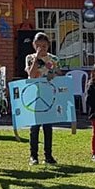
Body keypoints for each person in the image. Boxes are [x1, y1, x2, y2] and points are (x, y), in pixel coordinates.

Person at [26, 32, 59, 165]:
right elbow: (32, 74)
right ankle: (33, 155)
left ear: (48, 45)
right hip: (34, 95)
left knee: (48, 126)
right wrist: (37, 58)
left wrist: (53, 73)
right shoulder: (30, 58)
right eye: (38, 45)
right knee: (34, 127)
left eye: (44, 46)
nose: (41, 48)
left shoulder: (54, 59)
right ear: (34, 45)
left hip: (48, 95)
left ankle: (48, 155)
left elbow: (58, 74)